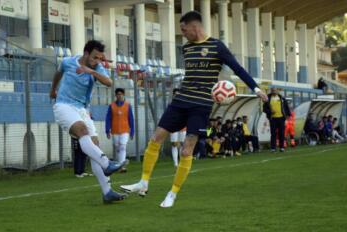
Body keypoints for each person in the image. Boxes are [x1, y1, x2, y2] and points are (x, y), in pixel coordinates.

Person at [120, 11, 268, 208]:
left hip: (201, 105)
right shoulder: (187, 48)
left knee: (186, 150)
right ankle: (143, 182)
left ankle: (172, 194)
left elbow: (238, 68)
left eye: (184, 29)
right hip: (181, 100)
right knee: (155, 138)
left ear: (194, 27)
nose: (183, 34)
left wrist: (256, 89)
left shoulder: (216, 46)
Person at [49, 40, 127, 203]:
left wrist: (90, 70)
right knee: (82, 131)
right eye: (94, 57)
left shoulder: (97, 68)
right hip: (63, 105)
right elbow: (58, 72)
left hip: (82, 109)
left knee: (94, 146)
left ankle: (107, 193)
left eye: (99, 58)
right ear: (86, 53)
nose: (97, 61)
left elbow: (109, 83)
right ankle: (107, 164)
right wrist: (53, 89)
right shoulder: (68, 62)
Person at [105, 88, 134, 173]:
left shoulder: (128, 105)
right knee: (117, 148)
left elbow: (131, 119)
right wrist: (107, 130)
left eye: (121, 94)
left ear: (123, 95)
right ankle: (119, 165)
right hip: (115, 130)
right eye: (118, 94)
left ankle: (121, 166)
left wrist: (132, 130)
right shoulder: (112, 106)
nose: (119, 96)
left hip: (125, 130)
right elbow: (108, 118)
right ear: (116, 95)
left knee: (122, 146)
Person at [263, 88, 291, 152]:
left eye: (275, 90)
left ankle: (282, 147)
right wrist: (270, 112)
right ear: (271, 91)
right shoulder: (268, 99)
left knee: (281, 133)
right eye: (273, 90)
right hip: (273, 118)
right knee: (273, 133)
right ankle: (273, 148)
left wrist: (288, 115)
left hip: (281, 118)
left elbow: (286, 107)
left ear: (278, 91)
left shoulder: (282, 98)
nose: (274, 91)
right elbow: (264, 109)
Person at [169, 88, 187, 167]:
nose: (177, 95)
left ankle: (180, 162)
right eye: (175, 94)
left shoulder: (184, 104)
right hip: (174, 126)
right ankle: (176, 164)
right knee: (174, 144)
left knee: (182, 144)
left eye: (178, 94)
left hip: (183, 126)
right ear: (173, 95)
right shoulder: (171, 104)